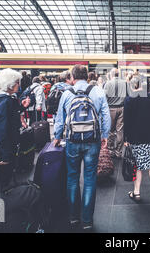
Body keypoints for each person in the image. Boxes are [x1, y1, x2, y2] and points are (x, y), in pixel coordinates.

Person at [53, 65, 111, 232]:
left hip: (72, 140)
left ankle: (73, 217)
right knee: (90, 178)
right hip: (93, 140)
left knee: (72, 178)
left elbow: (60, 118)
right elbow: (105, 115)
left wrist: (57, 137)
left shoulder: (67, 93)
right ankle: (87, 220)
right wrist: (105, 135)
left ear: (72, 77)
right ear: (86, 76)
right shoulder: (98, 91)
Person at [124, 76, 150, 205]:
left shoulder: (129, 100)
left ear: (133, 85)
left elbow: (127, 121)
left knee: (137, 166)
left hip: (136, 138)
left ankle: (136, 193)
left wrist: (126, 138)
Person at [0, 69, 30, 185]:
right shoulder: (5, 101)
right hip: (4, 150)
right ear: (10, 84)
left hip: (3, 147)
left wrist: (21, 107)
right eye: (17, 82)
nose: (19, 84)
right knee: (3, 180)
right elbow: (2, 129)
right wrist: (6, 155)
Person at [103, 68, 127, 158]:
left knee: (110, 131)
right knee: (120, 131)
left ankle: (110, 150)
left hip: (111, 109)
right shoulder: (124, 83)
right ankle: (118, 151)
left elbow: (104, 97)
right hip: (122, 108)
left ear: (111, 74)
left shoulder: (108, 83)